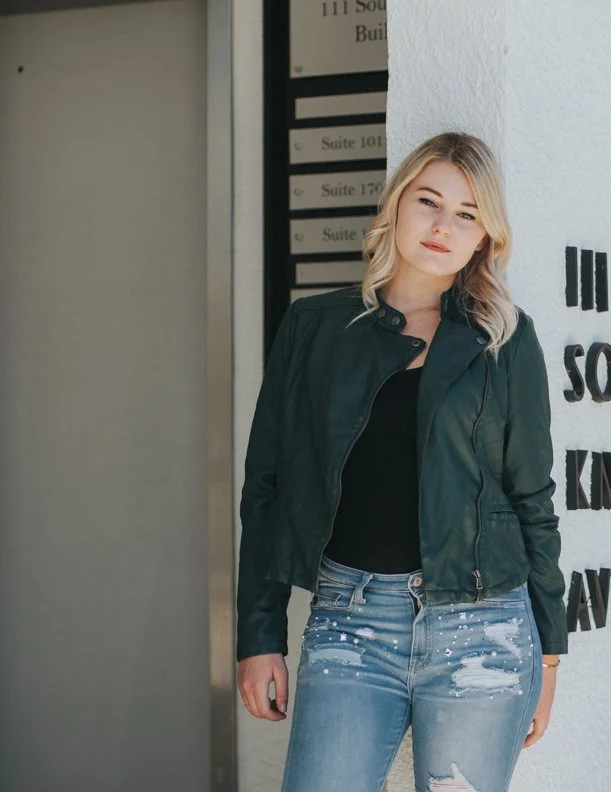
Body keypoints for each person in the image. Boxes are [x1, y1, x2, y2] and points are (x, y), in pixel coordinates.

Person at [235, 131, 567, 792]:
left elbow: (533, 495)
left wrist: (550, 657)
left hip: (483, 628)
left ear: (484, 237)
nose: (444, 226)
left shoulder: (503, 338)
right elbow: (267, 487)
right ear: (395, 207)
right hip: (350, 623)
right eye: (429, 202)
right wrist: (258, 632)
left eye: (466, 214)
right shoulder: (316, 328)